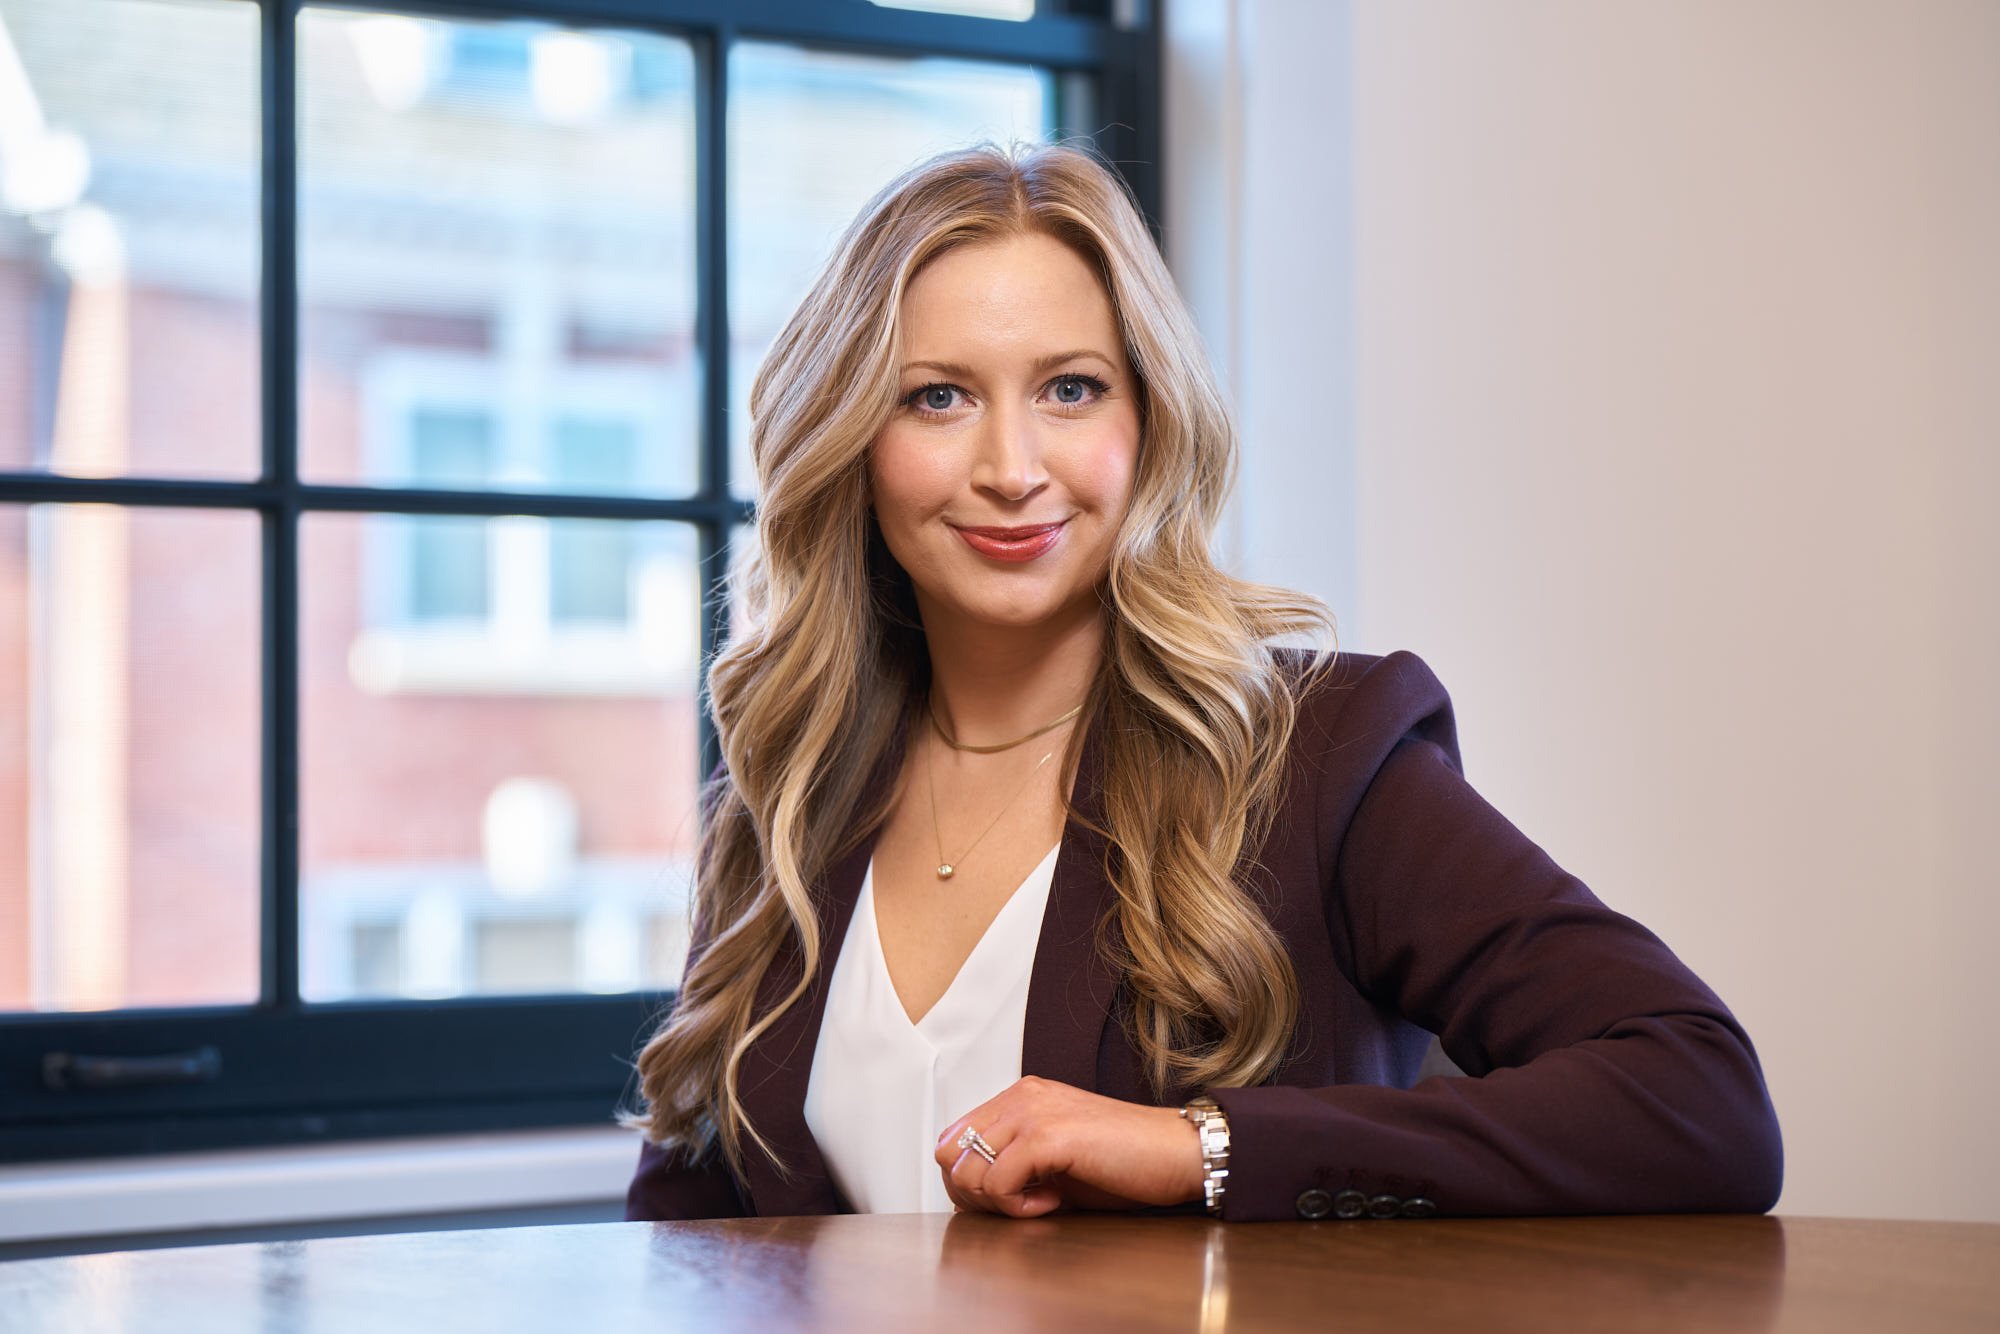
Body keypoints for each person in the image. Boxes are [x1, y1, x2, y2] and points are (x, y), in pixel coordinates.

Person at [619, 142, 1782, 1223]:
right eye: (938, 396)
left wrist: (1202, 1145)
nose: (1012, 468)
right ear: (851, 442)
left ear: (1151, 421)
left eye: (1070, 388)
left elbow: (1697, 1098)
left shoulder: (1317, 753)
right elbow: (683, 1231)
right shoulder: (792, 783)